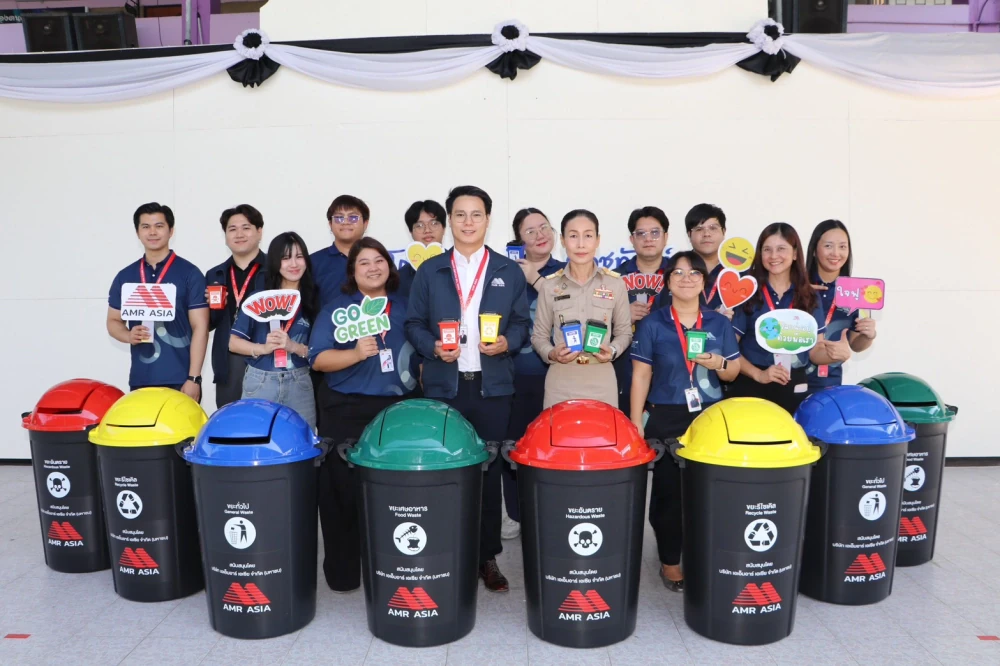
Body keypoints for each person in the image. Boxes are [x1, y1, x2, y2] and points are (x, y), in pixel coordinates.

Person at [404, 185, 531, 593]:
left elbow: (522, 323)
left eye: (476, 214)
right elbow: (413, 324)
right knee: (445, 471)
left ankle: (486, 557)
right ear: (450, 221)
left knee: (488, 472)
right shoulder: (431, 271)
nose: (468, 222)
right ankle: (445, 552)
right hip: (445, 387)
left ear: (488, 220)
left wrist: (508, 342)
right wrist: (431, 347)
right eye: (460, 214)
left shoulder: (507, 271)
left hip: (492, 388)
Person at [310, 237, 417, 592]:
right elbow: (318, 359)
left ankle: (395, 569)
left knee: (396, 496)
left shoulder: (405, 307)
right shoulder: (338, 311)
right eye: (364, 263)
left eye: (379, 260)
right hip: (346, 409)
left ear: (390, 266)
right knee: (341, 495)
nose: (373, 268)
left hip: (397, 413)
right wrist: (355, 354)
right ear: (352, 272)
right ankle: (343, 574)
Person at [630, 251, 741, 592]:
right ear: (667, 282)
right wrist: (635, 423)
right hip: (666, 416)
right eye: (678, 273)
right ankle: (669, 560)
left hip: (709, 417)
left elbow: (733, 372)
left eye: (694, 273)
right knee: (668, 494)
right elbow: (641, 375)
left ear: (704, 282)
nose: (686, 279)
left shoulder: (719, 323)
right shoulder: (653, 323)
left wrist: (717, 363)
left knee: (708, 490)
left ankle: (703, 553)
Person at [730, 223, 841, 414]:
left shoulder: (809, 296)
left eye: (781, 248)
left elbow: (815, 351)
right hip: (751, 385)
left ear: (795, 253)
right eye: (767, 249)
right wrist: (759, 374)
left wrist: (835, 354)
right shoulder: (747, 293)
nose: (774, 256)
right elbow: (730, 348)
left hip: (794, 385)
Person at [106, 202, 208, 400]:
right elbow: (113, 321)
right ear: (137, 232)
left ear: (171, 231)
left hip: (181, 379)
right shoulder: (125, 276)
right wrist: (128, 335)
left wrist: (194, 378)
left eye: (159, 226)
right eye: (145, 226)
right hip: (141, 379)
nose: (152, 232)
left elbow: (200, 327)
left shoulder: (190, 273)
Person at [504, 208, 564, 540]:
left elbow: (570, 308)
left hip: (557, 375)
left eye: (544, 227)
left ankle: (552, 509)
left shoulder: (566, 270)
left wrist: (536, 280)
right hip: (513, 375)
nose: (540, 235)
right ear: (518, 240)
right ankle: (514, 513)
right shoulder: (504, 272)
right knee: (515, 445)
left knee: (552, 446)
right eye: (530, 231)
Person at [533, 209, 632, 408]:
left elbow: (624, 332)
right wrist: (552, 353)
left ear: (597, 240)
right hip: (561, 380)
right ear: (562, 241)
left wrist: (612, 351)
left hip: (602, 379)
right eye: (573, 236)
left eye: (588, 236)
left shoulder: (615, 284)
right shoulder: (549, 286)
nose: (580, 244)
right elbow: (539, 337)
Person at [229, 232, 318, 428]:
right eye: (285, 258)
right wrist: (263, 348)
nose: (293, 264)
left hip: (299, 382)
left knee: (303, 439)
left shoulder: (314, 298)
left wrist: (294, 347)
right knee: (254, 438)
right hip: (260, 380)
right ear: (275, 262)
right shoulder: (259, 297)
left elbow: (320, 351)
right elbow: (233, 343)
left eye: (299, 256)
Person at [805, 219, 877, 393]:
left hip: (829, 383)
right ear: (814, 250)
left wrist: (868, 335)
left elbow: (856, 345)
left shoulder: (856, 292)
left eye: (843, 247)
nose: (836, 253)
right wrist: (799, 292)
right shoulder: (797, 287)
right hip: (790, 379)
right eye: (828, 246)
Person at [205, 205, 266, 408]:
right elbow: (208, 325)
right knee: (229, 420)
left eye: (246, 228)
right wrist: (211, 309)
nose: (239, 234)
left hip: (266, 361)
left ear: (259, 231)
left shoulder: (274, 270)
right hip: (228, 362)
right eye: (232, 229)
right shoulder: (215, 275)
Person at [614, 206, 671, 412]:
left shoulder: (681, 275)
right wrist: (622, 317)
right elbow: (597, 323)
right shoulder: (614, 278)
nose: (648, 239)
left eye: (655, 233)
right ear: (632, 239)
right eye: (641, 234)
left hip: (671, 371)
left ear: (665, 237)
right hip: (626, 369)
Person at [311, 194, 370, 309]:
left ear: (365, 224)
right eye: (339, 218)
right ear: (330, 224)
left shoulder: (379, 261)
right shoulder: (313, 262)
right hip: (327, 320)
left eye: (353, 217)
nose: (345, 222)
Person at [398, 200, 447, 299]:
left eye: (434, 223)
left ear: (444, 228)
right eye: (419, 226)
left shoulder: (459, 266)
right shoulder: (400, 277)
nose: (427, 230)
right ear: (410, 232)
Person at [685, 203, 729, 312]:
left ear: (723, 232)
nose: (706, 234)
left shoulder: (738, 270)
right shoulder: (677, 270)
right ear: (689, 234)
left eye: (713, 228)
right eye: (699, 229)